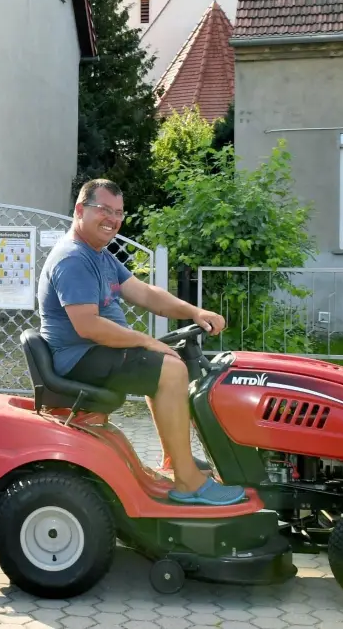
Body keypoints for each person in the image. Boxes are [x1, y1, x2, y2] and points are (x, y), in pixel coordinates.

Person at [36, 178, 246, 506]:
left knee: (167, 366)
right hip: (78, 357)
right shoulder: (73, 259)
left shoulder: (99, 255)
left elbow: (145, 293)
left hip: (92, 351)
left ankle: (176, 460)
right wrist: (146, 342)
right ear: (80, 210)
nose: (113, 219)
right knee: (170, 371)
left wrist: (195, 312)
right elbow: (88, 325)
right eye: (104, 209)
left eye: (118, 213)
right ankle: (188, 483)